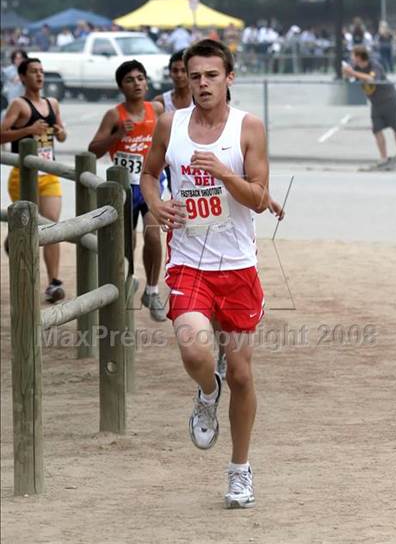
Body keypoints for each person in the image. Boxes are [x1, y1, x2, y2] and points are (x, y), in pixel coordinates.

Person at [141, 39, 284, 509]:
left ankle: (240, 471)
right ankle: (206, 391)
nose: (202, 83)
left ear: (229, 79)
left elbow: (260, 199)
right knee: (193, 348)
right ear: (185, 77)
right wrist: (157, 203)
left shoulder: (249, 127)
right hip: (188, 263)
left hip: (238, 266)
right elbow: (148, 173)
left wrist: (224, 173)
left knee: (242, 375)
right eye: (195, 75)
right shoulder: (170, 123)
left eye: (212, 76)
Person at [88, 60, 166, 322]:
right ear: (121, 85)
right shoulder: (114, 115)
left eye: (141, 78)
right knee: (127, 242)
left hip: (151, 183)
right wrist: (117, 134)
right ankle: (126, 285)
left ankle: (152, 291)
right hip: (123, 186)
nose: (137, 84)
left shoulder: (156, 109)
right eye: (131, 80)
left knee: (154, 235)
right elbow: (93, 150)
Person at [0, 58, 67, 302]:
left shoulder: (53, 103)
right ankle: (24, 276)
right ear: (22, 77)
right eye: (33, 72)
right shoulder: (19, 105)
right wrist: (27, 131)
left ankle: (53, 283)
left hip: (48, 174)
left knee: (51, 226)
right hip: (23, 175)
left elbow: (62, 134)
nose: (39, 76)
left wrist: (60, 132)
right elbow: (1, 135)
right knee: (29, 229)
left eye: (41, 71)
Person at [342, 45, 396, 169]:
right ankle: (383, 157)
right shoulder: (355, 67)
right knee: (376, 130)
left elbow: (372, 79)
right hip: (375, 103)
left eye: (353, 55)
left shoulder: (375, 65)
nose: (352, 58)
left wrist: (353, 73)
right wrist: (346, 72)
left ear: (359, 57)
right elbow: (349, 77)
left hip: (389, 99)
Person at [153, 50, 194, 193]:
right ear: (169, 73)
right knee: (176, 194)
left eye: (183, 70)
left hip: (196, 156)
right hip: (171, 159)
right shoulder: (160, 101)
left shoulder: (200, 99)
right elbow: (154, 135)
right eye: (175, 70)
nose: (179, 75)